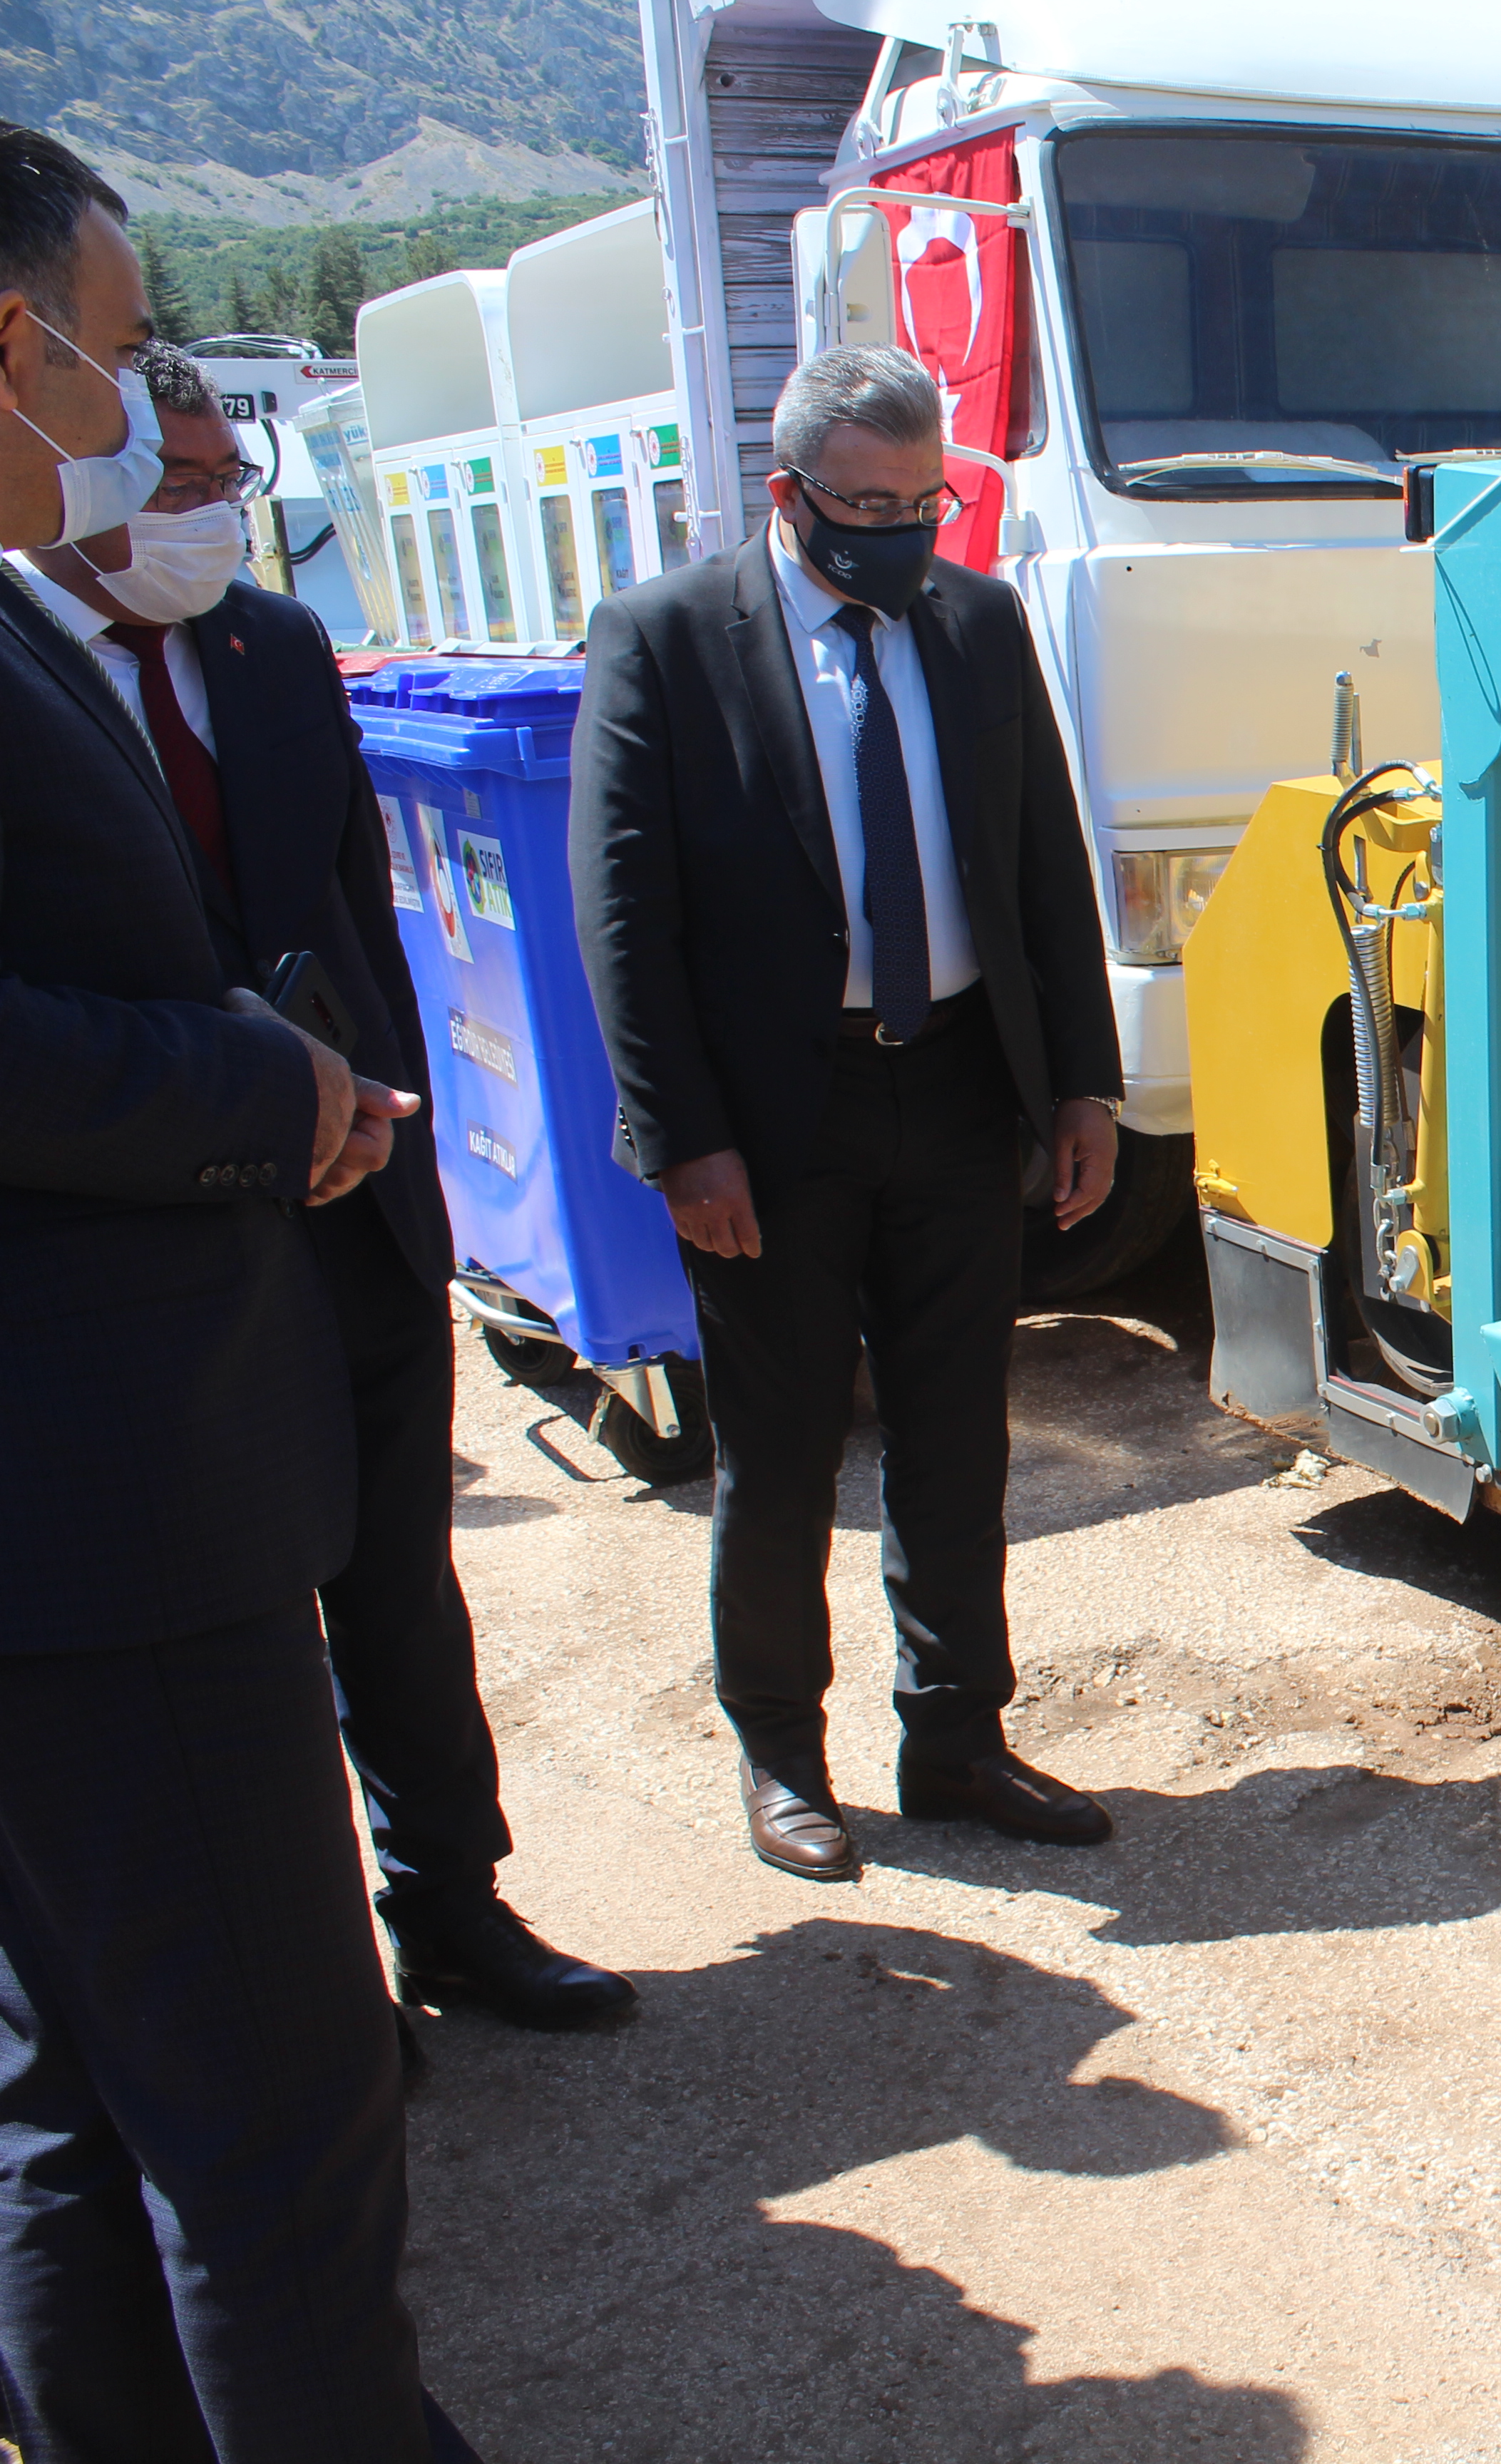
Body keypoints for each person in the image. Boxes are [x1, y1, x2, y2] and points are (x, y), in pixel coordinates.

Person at [0, 123, 477, 2460]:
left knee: (81, 2101)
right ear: (12, 343)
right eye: (111, 341)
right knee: (271, 2126)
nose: (137, 401)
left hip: (105, 1498)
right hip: (105, 1521)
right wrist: (240, 1079)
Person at [11, 339, 632, 2033]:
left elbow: (363, 918)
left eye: (228, 487)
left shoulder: (274, 649)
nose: (207, 517)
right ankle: (310, 1985)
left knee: (397, 1584)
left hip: (353, 1202)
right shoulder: (28, 670)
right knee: (236, 1623)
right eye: (174, 486)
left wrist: (393, 1146)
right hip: (157, 1231)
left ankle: (454, 1905)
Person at [571, 344, 1127, 1884]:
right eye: (862, 503)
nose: (895, 527)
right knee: (784, 1450)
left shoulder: (976, 622)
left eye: (920, 500)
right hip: (773, 1119)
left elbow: (1039, 865)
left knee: (959, 1436)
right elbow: (625, 913)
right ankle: (781, 1757)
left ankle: (956, 1735)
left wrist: (1082, 1081)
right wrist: (683, 1139)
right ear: (789, 493)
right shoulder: (670, 639)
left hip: (954, 1087)